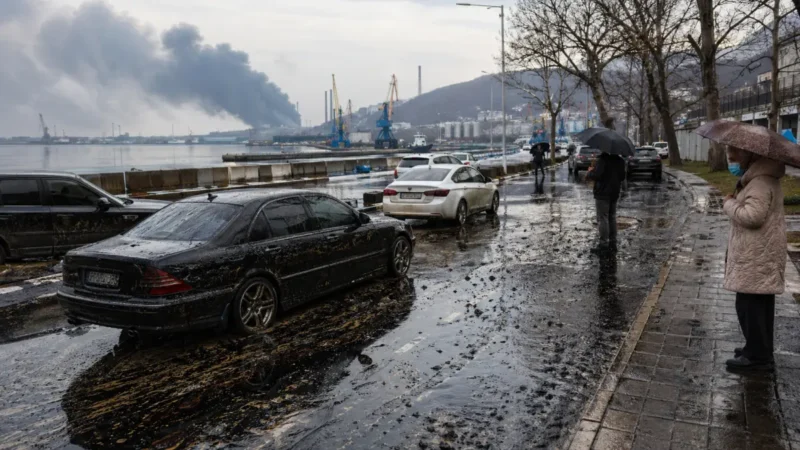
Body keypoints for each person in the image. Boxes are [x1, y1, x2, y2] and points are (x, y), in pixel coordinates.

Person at [723, 146, 786, 370]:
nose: (733, 162)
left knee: (750, 306)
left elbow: (752, 217)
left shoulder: (759, 183)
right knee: (759, 305)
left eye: (735, 157)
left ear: (749, 156)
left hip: (756, 256)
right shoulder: (760, 180)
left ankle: (758, 358)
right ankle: (757, 349)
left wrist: (729, 203)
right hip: (759, 253)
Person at [586, 151, 626, 249]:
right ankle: (612, 239)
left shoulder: (602, 160)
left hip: (602, 193)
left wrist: (590, 171)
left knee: (603, 217)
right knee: (611, 217)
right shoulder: (620, 161)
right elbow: (622, 177)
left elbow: (596, 176)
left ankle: (603, 242)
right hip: (614, 192)